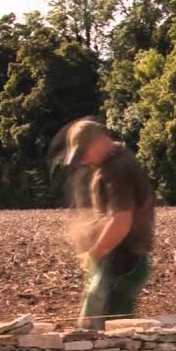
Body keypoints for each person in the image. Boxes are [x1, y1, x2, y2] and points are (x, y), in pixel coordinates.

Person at [49, 118, 156, 330]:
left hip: (123, 258)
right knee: (111, 326)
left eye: (83, 154)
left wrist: (95, 253)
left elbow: (120, 221)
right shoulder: (112, 163)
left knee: (105, 328)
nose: (82, 161)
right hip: (120, 256)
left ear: (99, 142)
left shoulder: (117, 169)